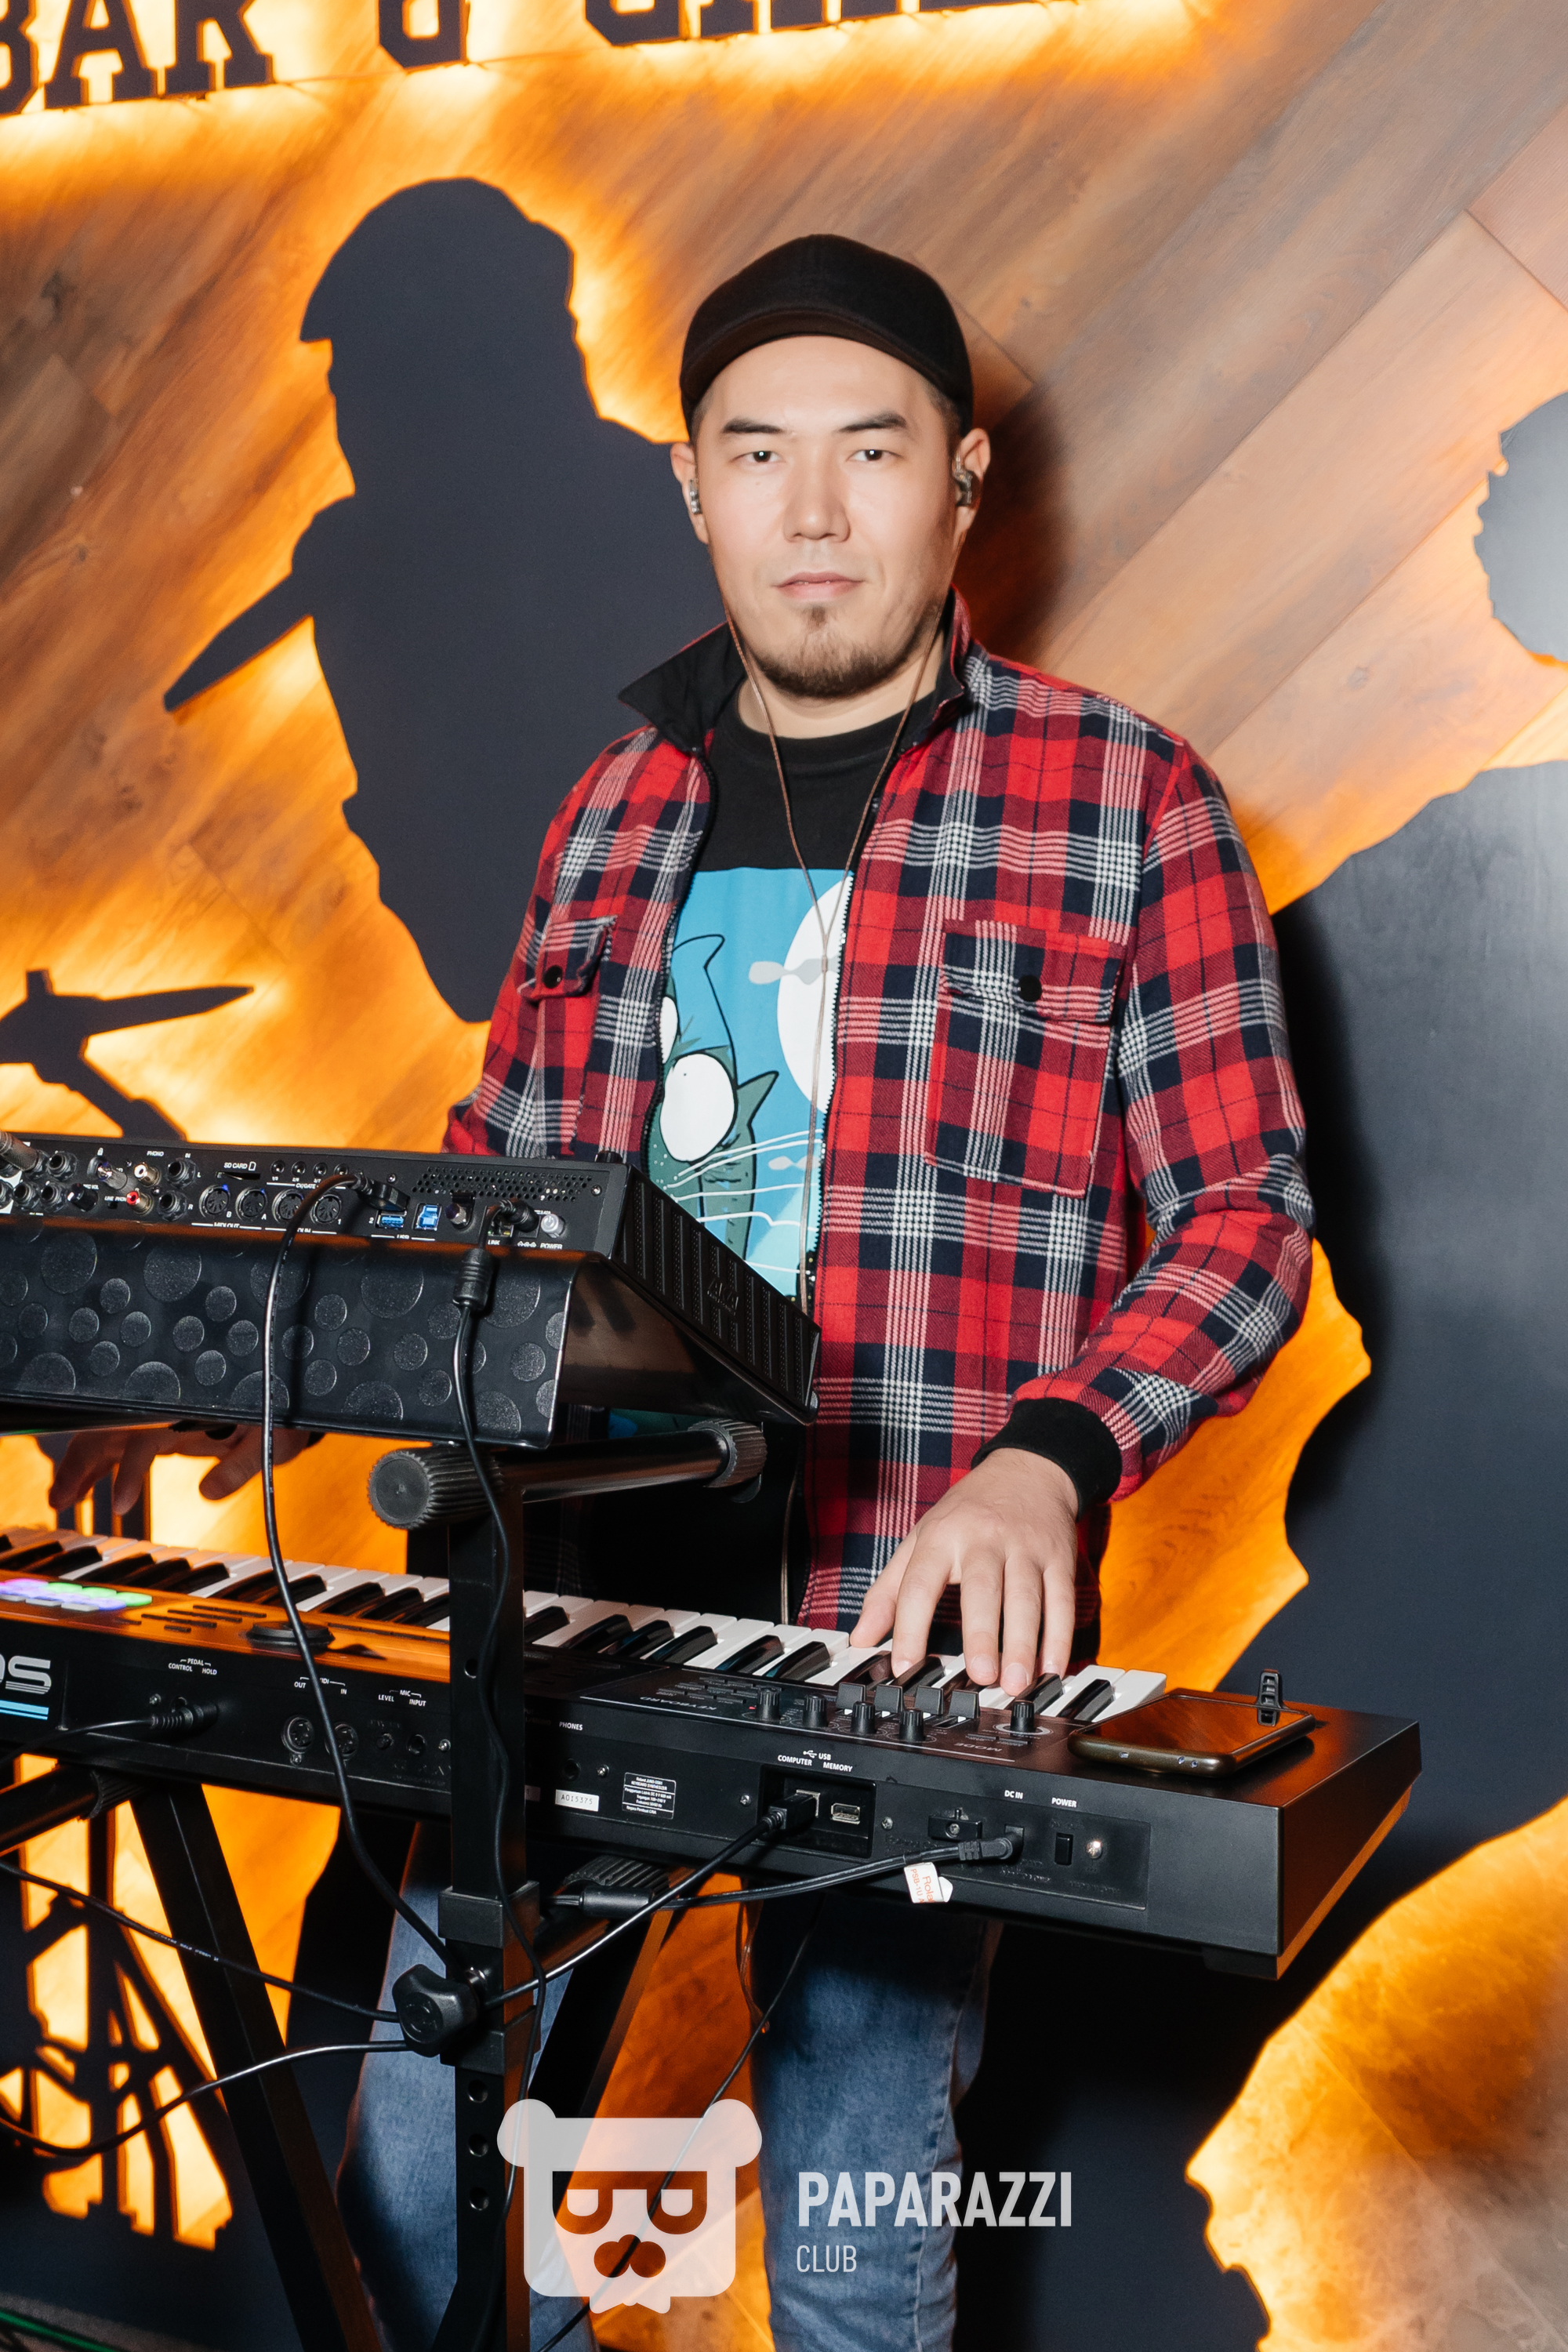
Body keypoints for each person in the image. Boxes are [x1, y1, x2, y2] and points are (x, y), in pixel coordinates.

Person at [49, 235, 1312, 2350]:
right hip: (564, 1618)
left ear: (961, 481)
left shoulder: (1126, 800)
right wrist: (241, 1384)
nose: (813, 511)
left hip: (907, 1651)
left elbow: (1244, 1219)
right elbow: (495, 1195)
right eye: (758, 453)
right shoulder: (613, 816)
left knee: (852, 2253)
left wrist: (1052, 1459)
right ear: (694, 487)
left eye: (870, 451)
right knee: (428, 2222)